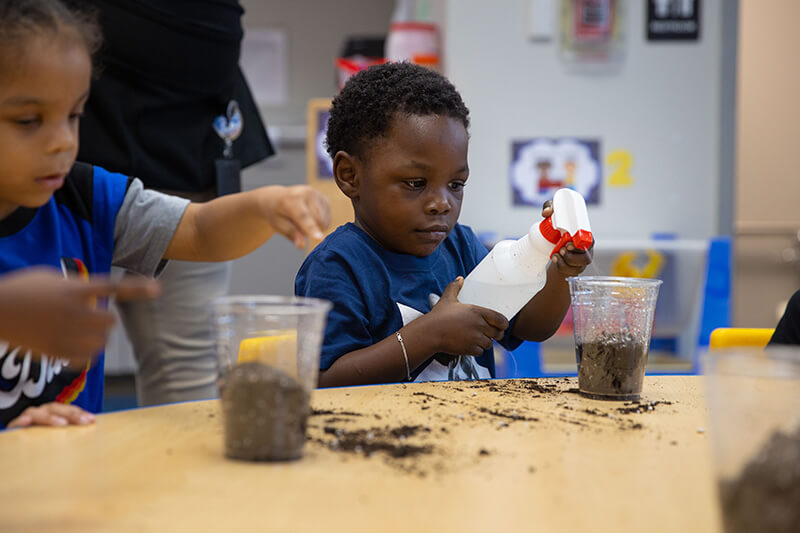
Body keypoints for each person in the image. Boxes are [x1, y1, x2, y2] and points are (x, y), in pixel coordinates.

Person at [0, 0, 330, 429]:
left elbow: (200, 230)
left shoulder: (86, 196)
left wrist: (266, 207)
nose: (63, 141)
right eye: (29, 120)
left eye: (74, 115)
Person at [295, 62, 592, 387]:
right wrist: (429, 335)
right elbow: (325, 382)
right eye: (415, 182)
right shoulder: (337, 266)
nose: (442, 203)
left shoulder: (461, 246)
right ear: (349, 175)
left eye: (455, 185)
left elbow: (528, 326)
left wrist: (560, 271)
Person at [75, 0, 277, 406]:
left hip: (190, 154)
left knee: (188, 374)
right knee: (48, 361)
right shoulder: (67, 178)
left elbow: (201, 233)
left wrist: (266, 208)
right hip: (82, 168)